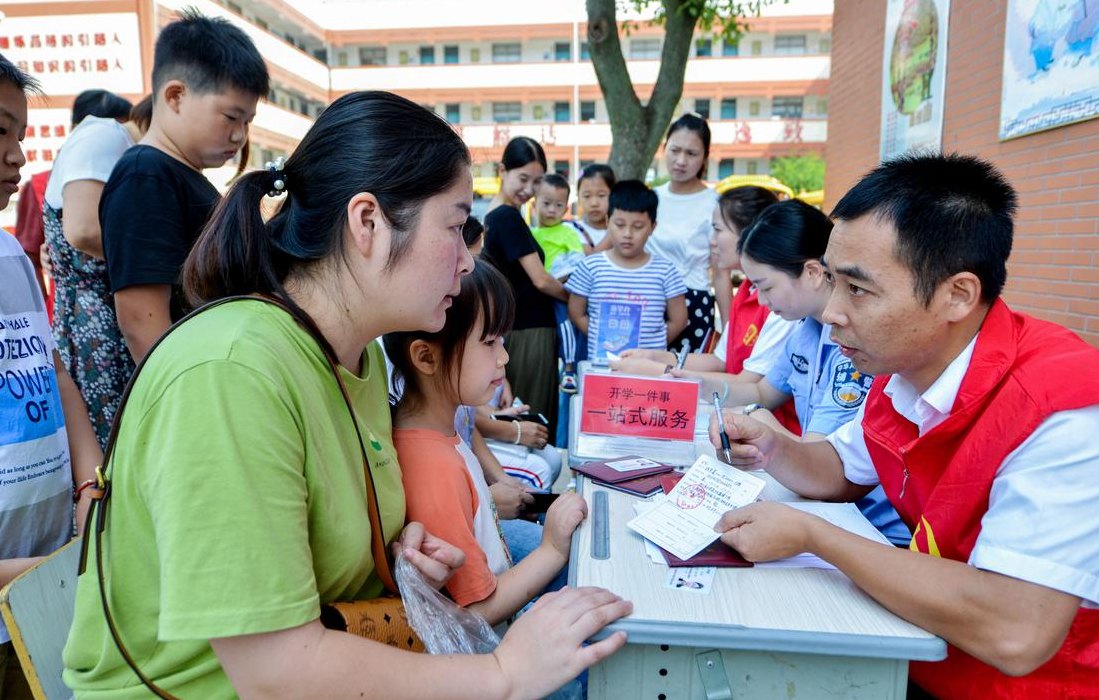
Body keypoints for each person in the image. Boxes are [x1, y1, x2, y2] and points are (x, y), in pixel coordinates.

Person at [62, 90, 630, 699]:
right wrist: (502, 675)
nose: (467, 263)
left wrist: (395, 555)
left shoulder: (357, 354)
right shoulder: (231, 373)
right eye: (455, 226)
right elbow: (275, 673)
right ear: (368, 223)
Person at [711, 154, 1099, 697]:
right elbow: (841, 468)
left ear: (957, 295)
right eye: (833, 282)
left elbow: (1017, 628)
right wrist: (774, 446)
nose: (831, 313)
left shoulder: (1065, 408)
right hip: (911, 652)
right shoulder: (907, 370)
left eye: (859, 290)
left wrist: (814, 536)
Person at [696, 200, 906, 545]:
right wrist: (694, 384)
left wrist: (764, 426)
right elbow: (764, 392)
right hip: (825, 508)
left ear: (812, 272)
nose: (762, 301)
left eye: (766, 287)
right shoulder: (807, 328)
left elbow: (821, 458)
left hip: (868, 527)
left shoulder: (852, 345)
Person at [387, 261, 583, 624]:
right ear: (426, 356)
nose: (504, 357)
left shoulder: (439, 433)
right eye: (490, 342)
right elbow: (476, 611)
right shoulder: (433, 467)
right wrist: (552, 548)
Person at [0, 55, 103, 700]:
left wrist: (91, 480)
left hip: (32, 596)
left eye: (17, 135)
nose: (16, 156)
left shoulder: (11, 253)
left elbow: (51, 363)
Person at [100, 10, 268, 363]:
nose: (240, 135)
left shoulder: (179, 175)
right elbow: (140, 319)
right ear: (175, 96)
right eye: (231, 117)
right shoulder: (144, 176)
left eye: (248, 121)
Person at [43, 90, 138, 449]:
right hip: (97, 328)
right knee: (109, 446)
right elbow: (82, 231)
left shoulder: (96, 140)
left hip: (86, 321)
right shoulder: (106, 135)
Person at [481, 137, 565, 440]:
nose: (529, 189)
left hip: (515, 330)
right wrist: (576, 300)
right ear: (502, 171)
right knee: (533, 417)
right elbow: (540, 279)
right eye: (523, 178)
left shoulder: (495, 215)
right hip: (529, 331)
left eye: (537, 181)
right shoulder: (506, 216)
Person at [566, 180, 688, 359]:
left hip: (649, 369)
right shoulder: (590, 267)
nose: (628, 234)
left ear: (653, 227)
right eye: (620, 225)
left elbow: (679, 320)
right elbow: (576, 313)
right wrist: (597, 338)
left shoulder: (666, 271)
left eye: (638, 227)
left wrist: (653, 346)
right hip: (602, 367)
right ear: (608, 221)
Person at [648, 113, 719, 351]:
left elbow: (721, 274)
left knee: (683, 381)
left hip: (693, 304)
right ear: (663, 148)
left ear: (705, 157)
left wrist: (729, 333)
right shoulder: (651, 198)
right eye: (675, 150)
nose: (680, 160)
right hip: (646, 299)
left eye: (691, 153)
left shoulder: (714, 204)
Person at [531, 173, 585, 393]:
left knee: (565, 325)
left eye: (558, 205)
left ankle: (570, 367)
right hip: (538, 295)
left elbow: (577, 263)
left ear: (566, 209)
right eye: (546, 203)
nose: (551, 209)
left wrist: (555, 280)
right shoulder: (531, 233)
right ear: (535, 204)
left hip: (560, 291)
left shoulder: (568, 233)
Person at [567, 163, 615, 254]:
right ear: (578, 197)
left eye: (601, 195)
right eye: (587, 196)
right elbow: (589, 261)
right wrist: (612, 235)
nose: (594, 203)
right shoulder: (571, 230)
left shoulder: (628, 230)